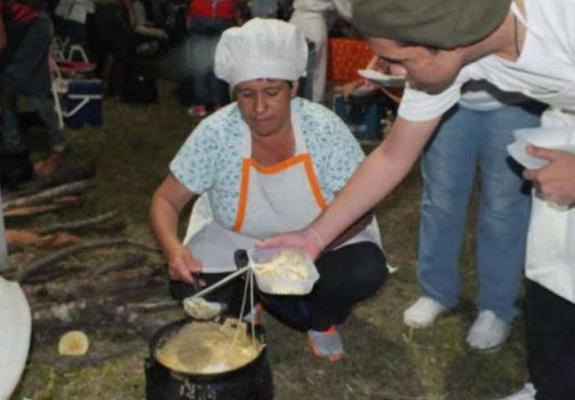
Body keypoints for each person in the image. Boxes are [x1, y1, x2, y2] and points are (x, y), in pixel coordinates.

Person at [257, 0, 575, 398]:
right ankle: (552, 387)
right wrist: (314, 237)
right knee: (554, 264)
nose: (393, 72)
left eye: (398, 60)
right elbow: (393, 155)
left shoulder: (563, 17)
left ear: (444, 42)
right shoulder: (454, 53)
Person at [149, 17, 388, 362]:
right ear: (234, 93)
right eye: (246, 94)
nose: (259, 109)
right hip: (239, 244)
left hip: (319, 244)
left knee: (366, 269)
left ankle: (317, 320)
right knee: (188, 289)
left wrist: (314, 244)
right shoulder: (217, 133)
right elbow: (165, 200)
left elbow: (360, 207)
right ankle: (257, 297)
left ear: (294, 86)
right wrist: (173, 250)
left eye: (272, 92)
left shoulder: (323, 130)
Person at [406, 84, 543, 352]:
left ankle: (497, 306)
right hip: (447, 98)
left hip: (517, 101)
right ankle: (436, 291)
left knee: (504, 209)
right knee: (440, 201)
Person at [0, 0, 67, 154]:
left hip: (34, 24)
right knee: (6, 81)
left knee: (36, 86)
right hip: (12, 26)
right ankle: (11, 140)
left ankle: (56, 138)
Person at [289, 0, 352, 103]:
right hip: (313, 25)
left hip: (295, 23)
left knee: (296, 74)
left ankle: (295, 108)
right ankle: (309, 110)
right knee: (312, 77)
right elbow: (347, 11)